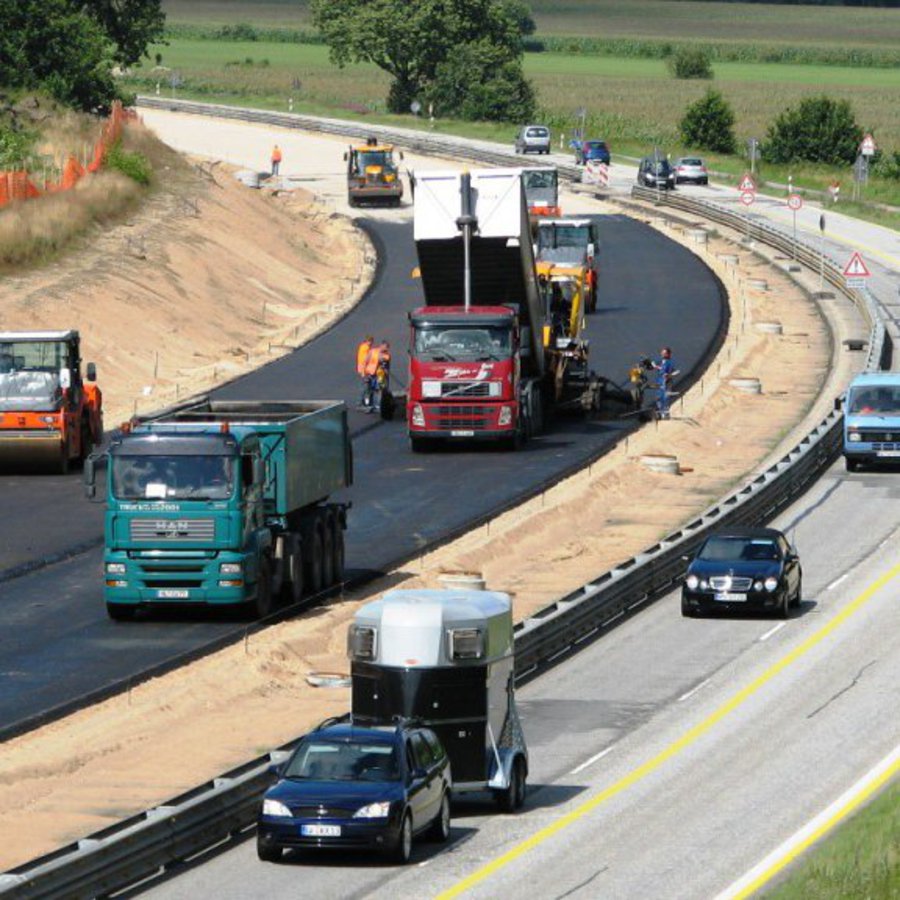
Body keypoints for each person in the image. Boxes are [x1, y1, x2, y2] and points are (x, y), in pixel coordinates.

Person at [653, 346, 677, 419]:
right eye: (662, 353)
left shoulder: (670, 362)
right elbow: (657, 366)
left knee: (665, 398)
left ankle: (665, 413)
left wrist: (669, 375)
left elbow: (673, 371)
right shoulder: (662, 361)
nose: (662, 354)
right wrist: (656, 366)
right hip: (660, 382)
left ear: (669, 354)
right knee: (659, 397)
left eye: (664, 353)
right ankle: (660, 413)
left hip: (667, 382)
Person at [356, 335, 374, 408]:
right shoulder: (365, 348)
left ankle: (363, 402)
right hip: (364, 370)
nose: (371, 343)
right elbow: (364, 361)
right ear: (368, 341)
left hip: (363, 369)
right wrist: (364, 372)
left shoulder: (362, 347)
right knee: (365, 386)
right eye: (371, 342)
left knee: (366, 386)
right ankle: (360, 403)